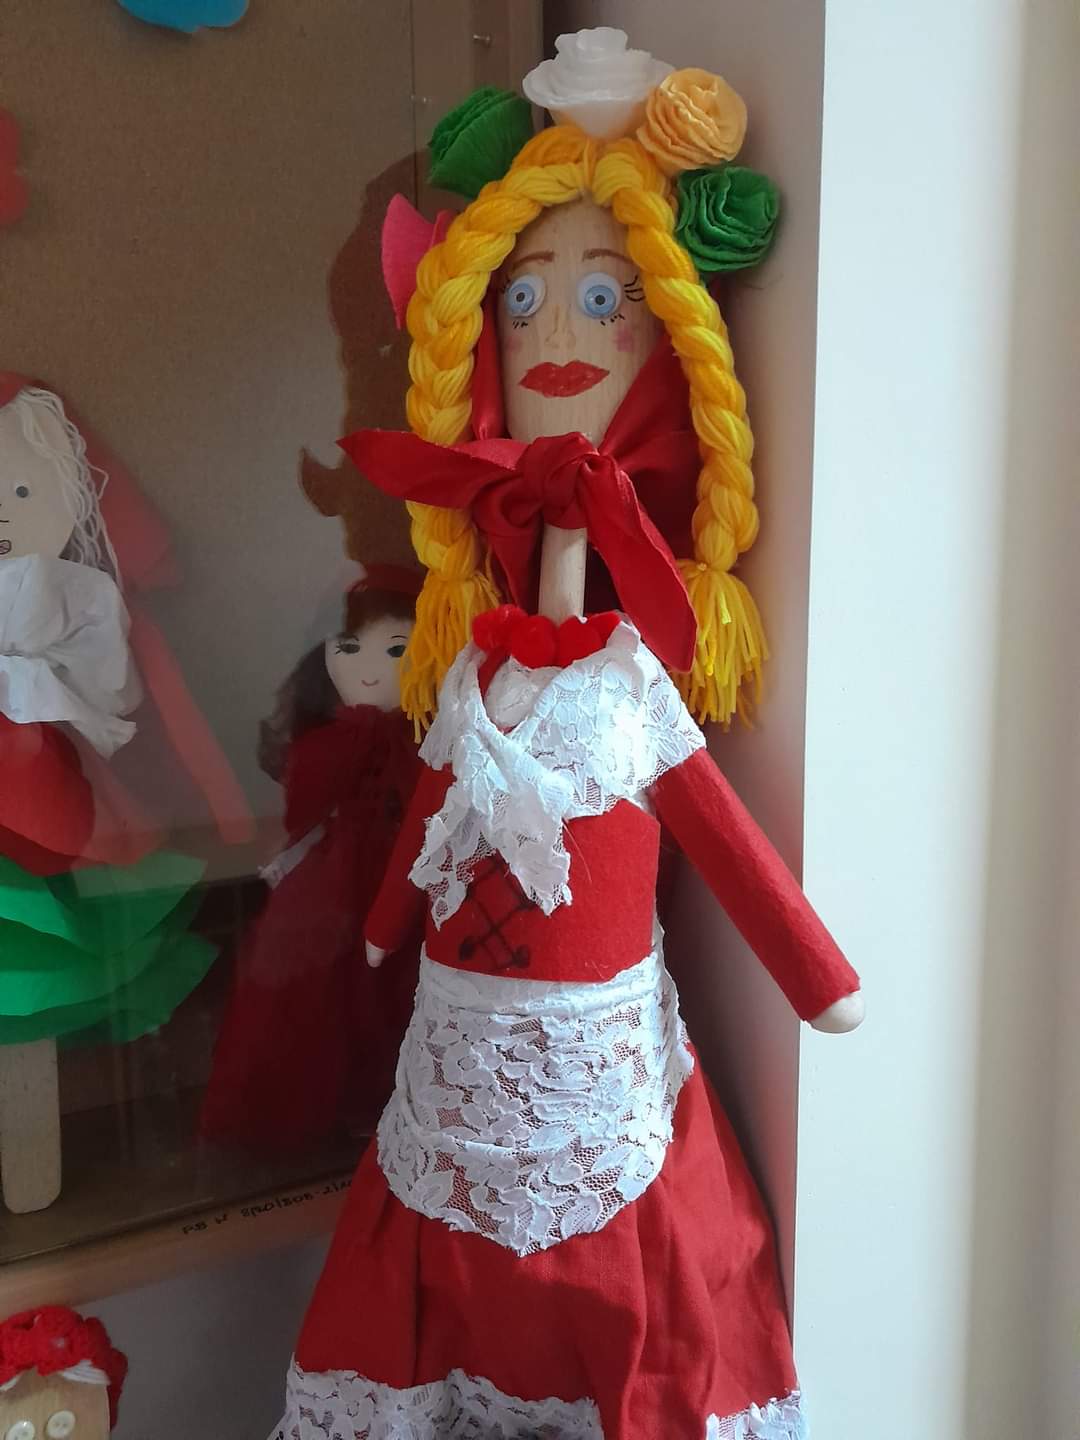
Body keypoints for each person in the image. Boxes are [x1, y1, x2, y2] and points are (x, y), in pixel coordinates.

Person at [199, 570, 422, 1153]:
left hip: (405, 882)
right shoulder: (327, 739)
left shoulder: (428, 740)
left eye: (395, 650)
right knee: (320, 997)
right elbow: (303, 806)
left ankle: (391, 1107)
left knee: (398, 991)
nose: (368, 670)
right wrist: (357, 735)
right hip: (334, 884)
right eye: (347, 648)